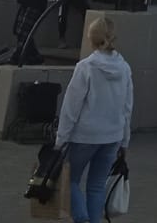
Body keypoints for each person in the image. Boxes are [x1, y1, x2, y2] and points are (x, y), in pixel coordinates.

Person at [56, 15, 133, 223]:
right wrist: (125, 141)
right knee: (97, 186)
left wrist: (61, 139)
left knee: (70, 180)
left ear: (91, 38)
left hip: (85, 135)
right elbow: (127, 107)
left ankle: (82, 220)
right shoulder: (125, 68)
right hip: (113, 135)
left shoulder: (86, 67)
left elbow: (71, 107)